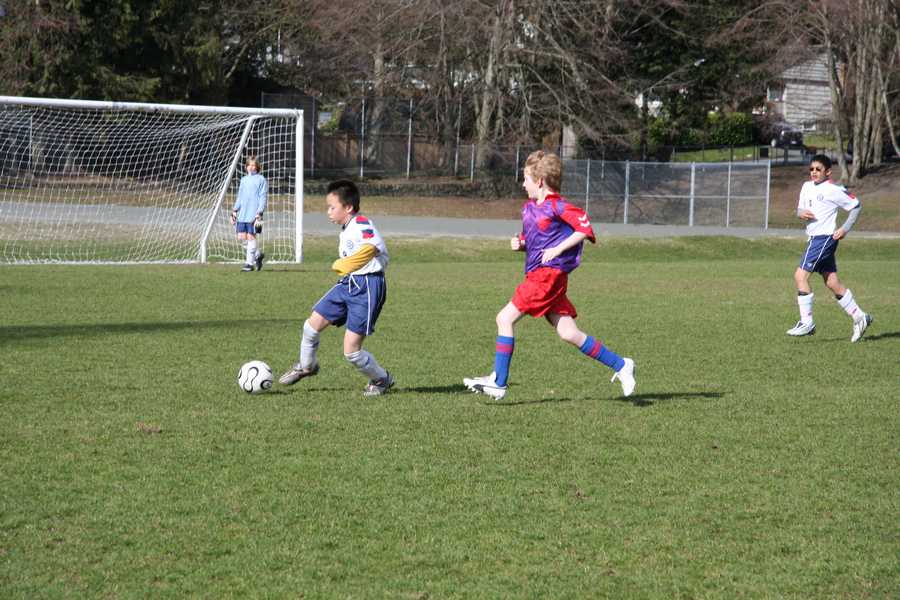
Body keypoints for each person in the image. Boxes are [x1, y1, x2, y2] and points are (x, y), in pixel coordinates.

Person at [463, 150, 636, 400]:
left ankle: (498, 382)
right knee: (568, 333)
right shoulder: (530, 209)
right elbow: (537, 240)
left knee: (504, 318)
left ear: (540, 181)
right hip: (540, 276)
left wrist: (558, 249)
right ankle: (622, 365)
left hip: (547, 277)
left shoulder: (558, 206)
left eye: (526, 179)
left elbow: (584, 228)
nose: (523, 184)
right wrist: (521, 244)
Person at [278, 179, 394, 396]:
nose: (328, 212)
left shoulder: (362, 223)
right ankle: (307, 366)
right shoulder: (348, 227)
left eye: (332, 207)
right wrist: (349, 267)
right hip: (349, 283)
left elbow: (374, 246)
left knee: (351, 351)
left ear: (348, 207)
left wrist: (349, 263)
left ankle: (381, 379)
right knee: (310, 326)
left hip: (368, 287)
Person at [786, 154, 873, 341]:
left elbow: (856, 206)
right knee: (832, 282)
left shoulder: (834, 189)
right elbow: (800, 209)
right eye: (811, 169)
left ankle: (807, 323)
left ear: (828, 172)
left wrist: (845, 229)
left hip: (824, 239)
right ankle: (860, 317)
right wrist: (801, 213)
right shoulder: (806, 186)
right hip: (813, 238)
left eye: (818, 169)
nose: (814, 172)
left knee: (800, 276)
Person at [230, 155, 267, 272]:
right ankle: (258, 255)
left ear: (257, 167)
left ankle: (249, 264)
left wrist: (259, 212)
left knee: (251, 237)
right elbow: (240, 196)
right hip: (243, 214)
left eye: (253, 165)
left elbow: (263, 197)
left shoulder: (261, 179)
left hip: (254, 214)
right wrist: (234, 210)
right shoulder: (243, 180)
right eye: (249, 165)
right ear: (246, 167)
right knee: (242, 237)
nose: (251, 167)